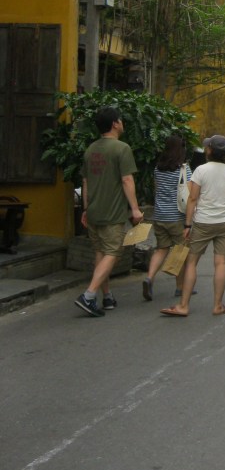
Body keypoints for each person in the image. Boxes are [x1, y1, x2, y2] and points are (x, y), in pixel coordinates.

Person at [75, 106, 143, 317]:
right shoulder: (121, 149)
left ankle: (107, 297)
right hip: (112, 212)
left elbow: (85, 182)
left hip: (93, 210)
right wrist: (135, 208)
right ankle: (88, 295)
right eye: (120, 120)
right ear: (115, 123)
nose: (122, 122)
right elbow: (127, 179)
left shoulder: (91, 149)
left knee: (100, 253)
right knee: (113, 252)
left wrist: (85, 209)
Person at [160, 134, 225, 318]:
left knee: (192, 263)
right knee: (221, 263)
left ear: (209, 150)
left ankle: (183, 305)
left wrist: (187, 224)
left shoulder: (200, 170)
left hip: (203, 222)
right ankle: (218, 305)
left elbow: (192, 199)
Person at [143, 135, 192, 301]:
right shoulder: (183, 169)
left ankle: (149, 277)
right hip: (177, 217)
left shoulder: (158, 168)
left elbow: (157, 190)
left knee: (161, 249)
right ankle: (180, 287)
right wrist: (189, 222)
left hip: (159, 215)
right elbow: (190, 195)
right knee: (180, 251)